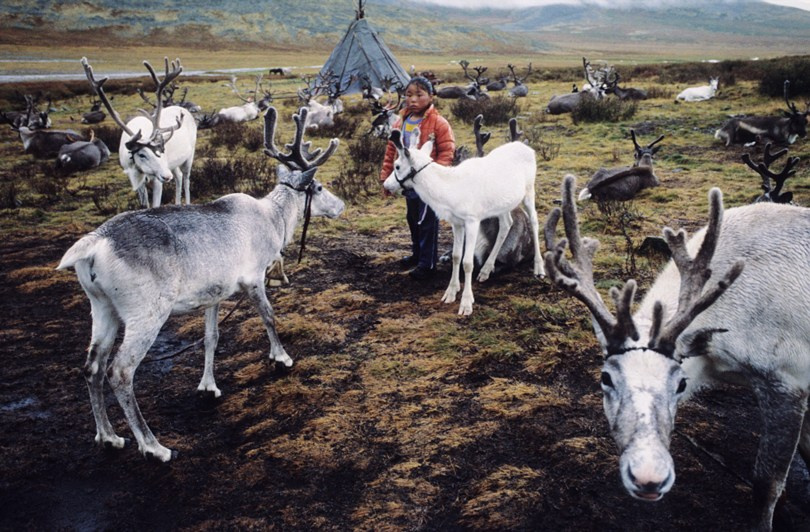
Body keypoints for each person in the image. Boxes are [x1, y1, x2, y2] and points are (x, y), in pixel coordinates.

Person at [379, 76, 455, 280]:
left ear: (431, 96)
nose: (413, 100)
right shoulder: (400, 121)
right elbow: (391, 152)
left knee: (427, 222)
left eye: (419, 95)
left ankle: (427, 264)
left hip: (428, 185)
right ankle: (417, 254)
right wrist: (386, 176)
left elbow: (447, 151)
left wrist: (436, 177)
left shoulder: (439, 123)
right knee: (413, 219)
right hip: (409, 182)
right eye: (409, 95)